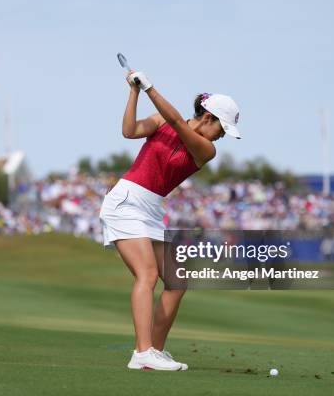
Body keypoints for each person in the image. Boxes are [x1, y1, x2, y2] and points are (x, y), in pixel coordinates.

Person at [99, 70, 241, 370]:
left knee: (177, 281)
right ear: (208, 117)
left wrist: (150, 87)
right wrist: (135, 92)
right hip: (126, 201)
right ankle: (142, 353)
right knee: (147, 275)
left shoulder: (206, 149)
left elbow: (177, 122)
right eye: (222, 128)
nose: (221, 135)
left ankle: (155, 352)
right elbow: (129, 131)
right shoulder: (162, 120)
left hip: (150, 208)